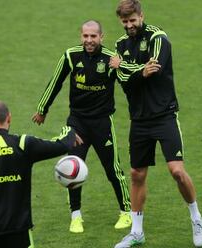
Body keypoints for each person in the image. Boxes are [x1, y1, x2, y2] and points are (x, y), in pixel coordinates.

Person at [110, 1, 202, 247]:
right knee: (136, 174)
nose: (130, 25)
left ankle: (196, 217)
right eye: (125, 21)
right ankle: (137, 232)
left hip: (164, 115)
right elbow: (122, 79)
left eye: (133, 20)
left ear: (141, 16)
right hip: (139, 120)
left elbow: (155, 70)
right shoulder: (119, 45)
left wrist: (131, 70)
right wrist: (137, 71)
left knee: (176, 171)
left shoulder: (158, 37)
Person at [32, 20, 131, 233]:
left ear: (101, 37)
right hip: (77, 123)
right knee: (72, 169)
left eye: (93, 36)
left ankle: (126, 212)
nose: (89, 40)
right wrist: (42, 109)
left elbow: (128, 83)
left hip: (102, 123)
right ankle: (75, 216)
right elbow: (55, 82)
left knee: (113, 169)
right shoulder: (71, 55)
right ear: (81, 36)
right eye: (85, 36)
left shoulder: (111, 59)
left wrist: (122, 66)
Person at [0, 100, 82, 248]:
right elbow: (61, 146)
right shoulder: (23, 145)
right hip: (19, 231)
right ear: (9, 118)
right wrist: (70, 131)